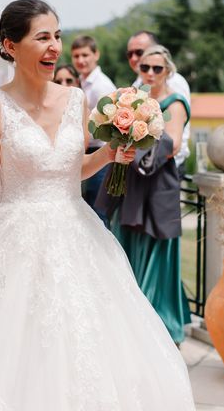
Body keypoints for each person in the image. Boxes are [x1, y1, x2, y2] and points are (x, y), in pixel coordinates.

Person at [0, 0, 195, 410]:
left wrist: (111, 153)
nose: (54, 47)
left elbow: (72, 167)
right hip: (13, 237)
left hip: (77, 230)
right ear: (10, 45)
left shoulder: (76, 99)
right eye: (42, 37)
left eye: (57, 36)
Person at [97, 45, 192, 345]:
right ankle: (129, 320)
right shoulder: (133, 100)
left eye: (157, 69)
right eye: (145, 68)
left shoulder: (175, 103)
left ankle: (159, 326)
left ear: (168, 72)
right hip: (131, 183)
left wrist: (138, 146)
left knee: (156, 251)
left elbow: (172, 144)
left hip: (157, 184)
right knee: (127, 247)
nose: (150, 73)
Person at [128, 30, 191, 178]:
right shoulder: (137, 84)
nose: (134, 57)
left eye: (139, 52)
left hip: (167, 164)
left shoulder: (175, 84)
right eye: (129, 53)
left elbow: (176, 135)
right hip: (139, 164)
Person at [71, 35, 116, 223]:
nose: (80, 61)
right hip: (85, 152)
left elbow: (112, 123)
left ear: (96, 54)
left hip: (100, 153)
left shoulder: (101, 86)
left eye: (85, 55)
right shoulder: (81, 82)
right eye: (76, 56)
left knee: (97, 213)